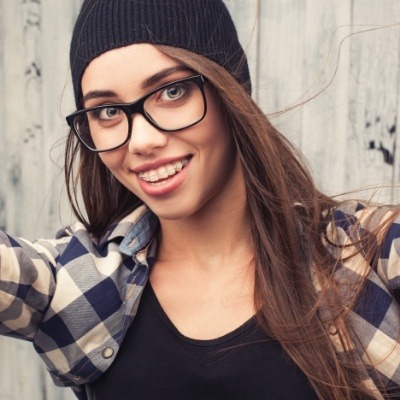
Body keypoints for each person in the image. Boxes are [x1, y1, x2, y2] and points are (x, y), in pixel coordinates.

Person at [0, 0, 399, 399]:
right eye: (106, 111)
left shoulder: (372, 254)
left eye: (172, 92)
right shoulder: (74, 282)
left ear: (231, 92)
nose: (142, 141)